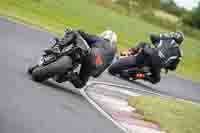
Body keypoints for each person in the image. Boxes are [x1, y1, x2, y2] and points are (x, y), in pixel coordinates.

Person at [49, 29, 118, 88]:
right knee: (81, 84)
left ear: (103, 35)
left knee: (75, 34)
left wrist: (73, 31)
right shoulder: (113, 52)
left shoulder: (99, 39)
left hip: (91, 54)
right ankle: (70, 75)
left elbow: (80, 33)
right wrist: (94, 72)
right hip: (96, 66)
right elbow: (99, 72)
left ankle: (59, 47)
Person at [108, 31, 184, 84]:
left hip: (148, 53)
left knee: (143, 44)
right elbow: (173, 67)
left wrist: (156, 43)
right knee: (156, 79)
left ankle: (128, 53)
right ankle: (140, 75)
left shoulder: (164, 37)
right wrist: (166, 65)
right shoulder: (179, 53)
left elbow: (152, 36)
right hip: (157, 64)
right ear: (180, 42)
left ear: (172, 35)